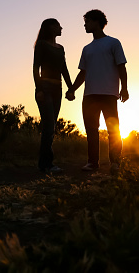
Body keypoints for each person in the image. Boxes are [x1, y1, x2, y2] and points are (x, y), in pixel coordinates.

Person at [66, 9, 128, 172]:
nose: (85, 25)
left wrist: (125, 88)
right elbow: (83, 72)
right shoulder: (87, 49)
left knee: (113, 129)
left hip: (109, 94)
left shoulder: (113, 43)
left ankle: (115, 162)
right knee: (91, 130)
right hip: (89, 95)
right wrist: (72, 89)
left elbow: (121, 66)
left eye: (87, 22)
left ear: (97, 22)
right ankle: (93, 162)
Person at [33, 18, 73, 173]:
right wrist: (39, 89)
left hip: (58, 89)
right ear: (50, 28)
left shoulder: (61, 48)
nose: (61, 28)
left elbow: (64, 69)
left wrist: (71, 88)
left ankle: (44, 164)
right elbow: (36, 68)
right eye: (58, 26)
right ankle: (46, 164)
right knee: (49, 126)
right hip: (45, 88)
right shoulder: (41, 45)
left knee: (52, 126)